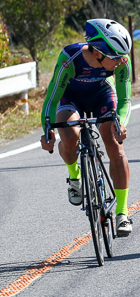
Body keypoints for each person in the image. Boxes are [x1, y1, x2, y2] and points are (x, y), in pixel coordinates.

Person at [40, 19, 134, 236]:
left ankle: (122, 212)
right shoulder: (69, 58)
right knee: (69, 134)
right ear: (99, 53)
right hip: (70, 97)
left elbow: (125, 100)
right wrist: (47, 130)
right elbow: (52, 98)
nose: (122, 61)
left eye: (123, 57)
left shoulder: (122, 62)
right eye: (116, 57)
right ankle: (75, 177)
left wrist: (121, 124)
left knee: (114, 142)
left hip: (102, 94)